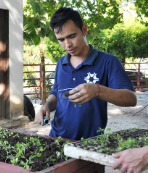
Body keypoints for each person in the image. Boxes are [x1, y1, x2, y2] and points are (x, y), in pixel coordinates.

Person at [36, 7, 137, 140]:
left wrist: (97, 90)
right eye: (61, 39)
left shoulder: (108, 62)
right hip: (56, 138)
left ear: (84, 30)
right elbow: (57, 93)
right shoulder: (61, 63)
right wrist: (46, 106)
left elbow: (131, 99)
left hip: (89, 142)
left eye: (72, 36)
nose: (67, 45)